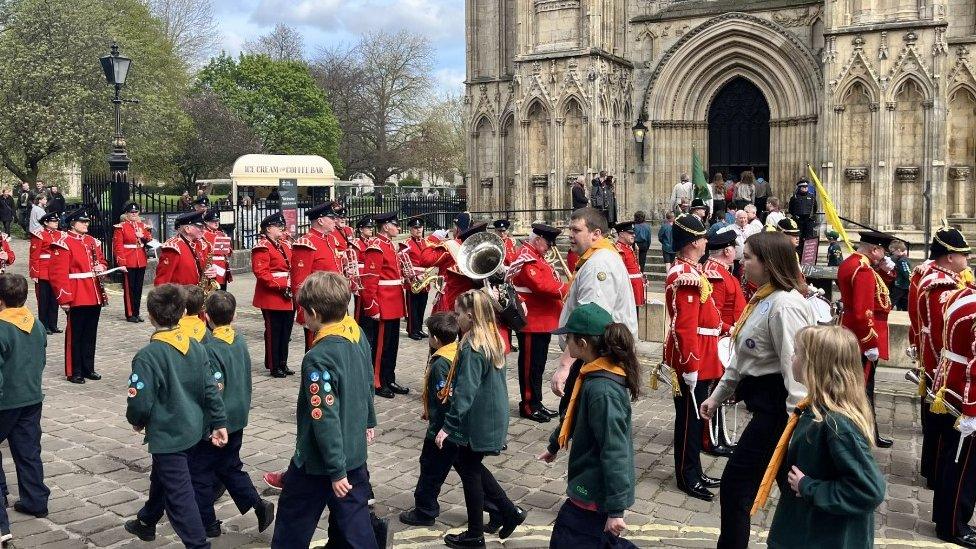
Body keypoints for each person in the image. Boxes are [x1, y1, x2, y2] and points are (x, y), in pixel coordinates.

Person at [700, 230, 815, 549]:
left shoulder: (783, 306)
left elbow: (799, 372)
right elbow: (742, 358)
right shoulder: (762, 298)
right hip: (764, 408)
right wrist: (717, 396)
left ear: (768, 263)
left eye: (748, 256)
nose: (741, 260)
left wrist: (797, 426)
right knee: (788, 492)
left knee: (738, 485)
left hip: (778, 413)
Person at [270, 272, 379, 549]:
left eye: (303, 312)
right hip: (354, 451)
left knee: (293, 521)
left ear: (314, 313)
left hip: (319, 460)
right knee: (354, 523)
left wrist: (335, 469)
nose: (302, 317)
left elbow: (324, 417)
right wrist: (369, 420)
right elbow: (368, 379)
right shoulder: (356, 332)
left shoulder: (318, 357)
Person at [123, 284, 228, 548]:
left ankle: (197, 543)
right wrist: (218, 422)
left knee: (180, 496)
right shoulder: (196, 346)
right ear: (183, 313)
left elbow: (140, 400)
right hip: (193, 429)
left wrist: (136, 420)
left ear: (150, 316)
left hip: (168, 434)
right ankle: (147, 521)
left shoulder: (148, 356)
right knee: (163, 477)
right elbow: (210, 389)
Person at [762, 326, 885, 548]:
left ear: (815, 365)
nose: (792, 356)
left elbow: (869, 490)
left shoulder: (837, 425)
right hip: (804, 530)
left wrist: (809, 487)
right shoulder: (814, 410)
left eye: (798, 352)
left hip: (824, 537)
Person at [538, 303, 640, 549]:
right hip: (591, 484)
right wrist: (554, 445)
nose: (565, 343)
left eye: (568, 338)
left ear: (582, 344)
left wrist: (616, 510)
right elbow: (572, 417)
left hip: (595, 489)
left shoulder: (602, 390)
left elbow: (614, 449)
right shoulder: (592, 372)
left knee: (567, 539)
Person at [433, 290, 527, 548]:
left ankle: (477, 533)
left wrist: (448, 426)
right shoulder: (492, 338)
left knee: (470, 470)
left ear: (471, 316)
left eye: (459, 313)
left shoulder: (473, 346)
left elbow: (465, 391)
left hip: (478, 421)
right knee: (469, 466)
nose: (456, 317)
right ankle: (507, 512)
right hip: (491, 416)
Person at [399, 312, 504, 530]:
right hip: (456, 428)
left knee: (431, 469)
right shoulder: (455, 351)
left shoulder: (441, 362)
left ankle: (425, 510)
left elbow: (444, 397)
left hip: (443, 429)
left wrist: (438, 421)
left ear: (435, 338)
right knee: (470, 473)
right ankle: (498, 508)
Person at [192, 291, 274, 537]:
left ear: (206, 317)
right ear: (235, 315)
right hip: (239, 415)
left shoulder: (209, 348)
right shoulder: (239, 340)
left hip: (220, 420)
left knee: (201, 472)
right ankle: (259, 505)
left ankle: (208, 523)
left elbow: (214, 389)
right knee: (229, 466)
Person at [549, 208, 638, 412]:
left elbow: (590, 321)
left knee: (578, 419)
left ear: (596, 234)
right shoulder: (597, 258)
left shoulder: (599, 264)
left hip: (597, 357)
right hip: (590, 355)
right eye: (569, 229)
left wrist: (564, 367)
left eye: (576, 230)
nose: (570, 235)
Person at [663, 214, 723, 501]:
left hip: (702, 353)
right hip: (692, 357)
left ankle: (695, 470)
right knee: (688, 421)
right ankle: (687, 476)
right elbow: (685, 326)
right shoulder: (684, 276)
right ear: (692, 243)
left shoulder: (692, 270)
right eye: (702, 237)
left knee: (695, 420)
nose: (706, 242)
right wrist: (690, 364)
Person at [914, 226, 971, 487]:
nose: (967, 260)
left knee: (938, 427)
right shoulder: (941, 284)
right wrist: (940, 367)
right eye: (964, 255)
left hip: (937, 361)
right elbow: (940, 332)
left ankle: (934, 471)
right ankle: (936, 475)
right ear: (949, 256)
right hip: (942, 362)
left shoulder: (939, 277)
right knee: (942, 430)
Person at [837, 230, 900, 450]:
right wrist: (870, 342)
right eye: (882, 251)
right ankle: (866, 432)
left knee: (860, 386)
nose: (883, 255)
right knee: (864, 387)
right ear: (874, 250)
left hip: (854, 332)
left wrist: (886, 271)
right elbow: (864, 311)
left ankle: (867, 430)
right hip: (864, 337)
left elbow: (879, 289)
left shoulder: (854, 263)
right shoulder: (862, 269)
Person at [0, 274, 51, 543]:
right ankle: (36, 499)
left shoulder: (1, 328)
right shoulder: (37, 324)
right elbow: (40, 358)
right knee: (29, 450)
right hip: (32, 397)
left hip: (5, 401)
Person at [930, 281, 976, 547]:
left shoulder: (962, 295)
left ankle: (945, 518)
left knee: (951, 462)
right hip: (965, 395)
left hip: (948, 385)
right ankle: (954, 525)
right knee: (963, 467)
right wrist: (972, 409)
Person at [510, 224, 568, 422]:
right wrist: (569, 286)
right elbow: (543, 286)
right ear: (538, 239)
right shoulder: (527, 258)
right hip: (531, 321)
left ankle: (536, 402)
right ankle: (528, 405)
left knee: (538, 365)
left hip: (542, 320)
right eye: (548, 242)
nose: (551, 247)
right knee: (529, 366)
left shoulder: (536, 256)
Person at [48, 208, 108, 384]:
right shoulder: (63, 242)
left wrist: (102, 268)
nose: (86, 224)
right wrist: (64, 299)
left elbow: (103, 261)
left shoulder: (92, 241)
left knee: (90, 333)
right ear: (73, 224)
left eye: (87, 222)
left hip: (94, 292)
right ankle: (74, 370)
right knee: (76, 334)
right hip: (76, 293)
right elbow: (58, 274)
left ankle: (88, 367)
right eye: (83, 222)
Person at [701, 228, 746, 457]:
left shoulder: (723, 270)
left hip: (727, 340)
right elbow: (713, 313)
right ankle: (710, 439)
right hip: (719, 342)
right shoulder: (715, 274)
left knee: (721, 391)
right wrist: (730, 330)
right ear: (728, 250)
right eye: (735, 247)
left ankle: (720, 436)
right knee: (714, 391)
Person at [361, 212, 409, 399]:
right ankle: (376, 381)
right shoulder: (376, 247)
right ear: (386, 226)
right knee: (380, 347)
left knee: (392, 345)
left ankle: (389, 378)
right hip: (383, 302)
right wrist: (372, 306)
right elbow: (370, 280)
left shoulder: (390, 245)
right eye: (396, 225)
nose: (399, 228)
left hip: (394, 302)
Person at [291, 202, 343, 349]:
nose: (335, 221)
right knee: (316, 348)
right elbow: (299, 281)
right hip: (317, 305)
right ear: (320, 220)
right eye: (332, 218)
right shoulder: (306, 242)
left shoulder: (331, 239)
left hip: (335, 303)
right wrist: (302, 312)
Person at [251, 213, 295, 378]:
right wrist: (282, 285)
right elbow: (261, 273)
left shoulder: (283, 244)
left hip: (288, 295)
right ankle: (274, 365)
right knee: (273, 332)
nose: (282, 229)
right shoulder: (262, 246)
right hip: (272, 296)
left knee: (286, 331)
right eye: (278, 226)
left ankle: (283, 362)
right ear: (269, 229)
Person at [113, 202, 152, 323]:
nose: (134, 214)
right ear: (126, 214)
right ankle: (130, 314)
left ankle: (137, 312)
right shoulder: (121, 227)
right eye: (131, 212)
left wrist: (143, 237)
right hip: (128, 260)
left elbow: (150, 242)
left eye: (136, 212)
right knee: (130, 289)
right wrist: (122, 263)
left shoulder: (143, 226)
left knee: (138, 289)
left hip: (140, 260)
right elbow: (118, 246)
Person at [154, 211, 214, 287]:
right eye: (200, 227)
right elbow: (162, 280)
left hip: (197, 294)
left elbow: (205, 267)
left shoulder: (202, 244)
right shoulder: (174, 248)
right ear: (187, 229)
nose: (203, 230)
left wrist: (212, 272)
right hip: (180, 296)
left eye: (203, 227)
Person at [29, 212, 60, 335]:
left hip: (56, 270)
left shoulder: (60, 235)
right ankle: (44, 325)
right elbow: (34, 256)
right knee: (44, 300)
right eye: (53, 221)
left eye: (57, 220)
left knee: (54, 299)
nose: (56, 222)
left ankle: (53, 324)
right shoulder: (39, 235)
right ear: (46, 223)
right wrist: (35, 273)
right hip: (43, 270)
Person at [403, 217, 429, 340]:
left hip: (425, 279)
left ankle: (419, 328)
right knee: (413, 306)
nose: (418, 230)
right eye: (415, 228)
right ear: (411, 229)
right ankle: (412, 330)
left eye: (420, 227)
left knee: (422, 305)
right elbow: (402, 262)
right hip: (413, 279)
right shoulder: (407, 243)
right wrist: (413, 275)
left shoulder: (425, 242)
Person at [614, 222, 645, 311]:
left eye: (633, 233)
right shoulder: (619, 250)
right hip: (628, 291)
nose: (634, 235)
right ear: (622, 234)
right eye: (630, 233)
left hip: (635, 289)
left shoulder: (628, 247)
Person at [202, 210, 232, 292]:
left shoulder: (221, 233)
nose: (216, 223)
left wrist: (228, 249)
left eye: (217, 221)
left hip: (223, 267)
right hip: (212, 266)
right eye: (213, 221)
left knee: (222, 291)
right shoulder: (203, 235)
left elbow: (229, 251)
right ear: (206, 222)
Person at [788, 180, 818, 252]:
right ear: (799, 188)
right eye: (803, 187)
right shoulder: (794, 197)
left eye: (806, 187)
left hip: (808, 220)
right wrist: (796, 216)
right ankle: (798, 253)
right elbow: (791, 209)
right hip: (799, 220)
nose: (805, 188)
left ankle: (808, 255)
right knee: (798, 237)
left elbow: (815, 208)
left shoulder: (812, 196)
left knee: (809, 238)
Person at [889, 240, 911, 311]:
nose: (892, 254)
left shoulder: (902, 261)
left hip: (900, 285)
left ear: (898, 250)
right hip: (903, 285)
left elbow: (906, 272)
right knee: (904, 303)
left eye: (892, 252)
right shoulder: (901, 259)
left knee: (892, 300)